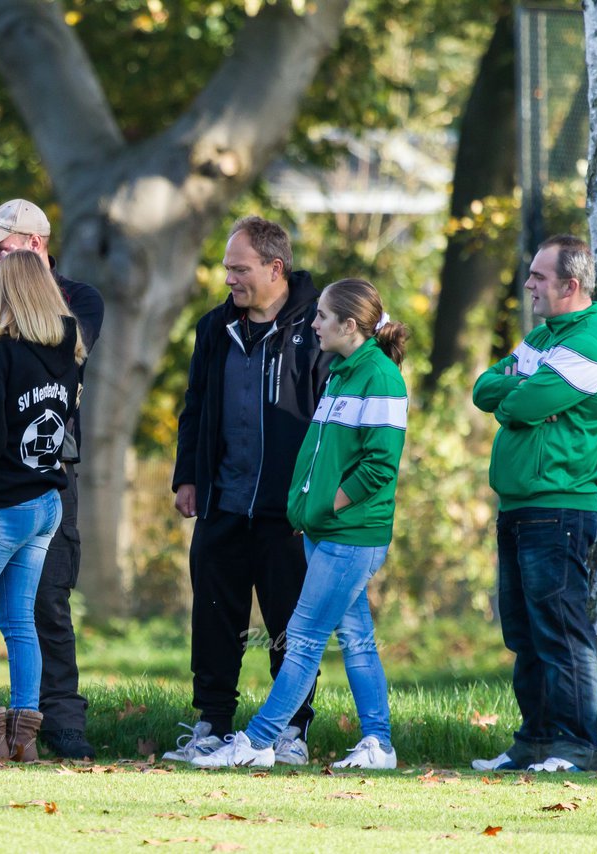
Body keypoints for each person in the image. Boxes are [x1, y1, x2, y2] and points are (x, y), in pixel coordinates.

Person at [195, 278, 409, 770]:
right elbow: (320, 455)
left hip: (350, 535)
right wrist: (309, 511)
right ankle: (379, 743)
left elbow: (379, 465)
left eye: (322, 318)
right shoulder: (341, 371)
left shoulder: (379, 377)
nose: (312, 324)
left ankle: (258, 741)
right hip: (326, 531)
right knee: (355, 639)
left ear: (348, 325)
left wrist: (325, 508)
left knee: (303, 636)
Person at [0, 198, 104, 760]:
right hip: (46, 497)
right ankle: (22, 741)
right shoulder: (68, 352)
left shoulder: (0, 355)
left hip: (2, 503)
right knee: (19, 621)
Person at [167, 216, 330, 765]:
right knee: (214, 617)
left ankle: (290, 731)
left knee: (291, 624)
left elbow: (335, 418)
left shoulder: (320, 326)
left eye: (239, 268)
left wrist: (320, 495)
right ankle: (211, 724)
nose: (229, 278)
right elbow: (194, 406)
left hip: (290, 511)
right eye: (227, 268)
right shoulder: (214, 326)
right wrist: (187, 476)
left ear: (274, 268)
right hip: (222, 502)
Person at [470, 235, 597, 773]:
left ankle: (576, 746)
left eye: (538, 276)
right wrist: (522, 389)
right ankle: (533, 742)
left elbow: (520, 402)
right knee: (524, 631)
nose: (528, 283)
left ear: (570, 285)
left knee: (559, 627)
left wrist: (520, 391)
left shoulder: (588, 344)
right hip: (519, 504)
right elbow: (485, 390)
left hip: (558, 508)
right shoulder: (543, 338)